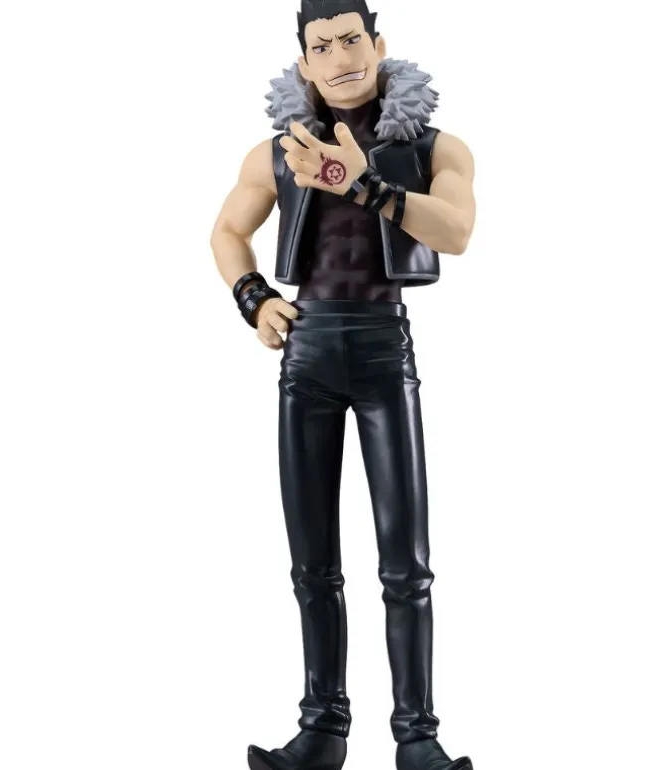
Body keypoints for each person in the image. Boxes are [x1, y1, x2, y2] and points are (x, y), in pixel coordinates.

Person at [210, 1, 476, 768]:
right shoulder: (275, 154)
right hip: (308, 349)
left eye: (351, 40)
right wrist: (254, 299)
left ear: (378, 45)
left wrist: (365, 186)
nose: (339, 58)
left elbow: (457, 232)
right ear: (303, 63)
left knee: (405, 563)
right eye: (321, 46)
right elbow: (227, 231)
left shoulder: (435, 147)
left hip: (384, 345)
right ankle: (323, 730)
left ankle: (416, 739)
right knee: (312, 563)